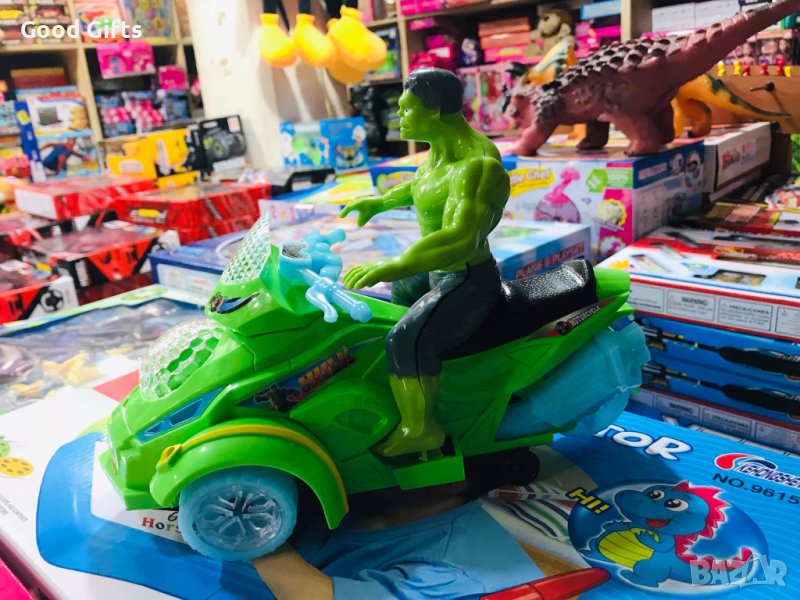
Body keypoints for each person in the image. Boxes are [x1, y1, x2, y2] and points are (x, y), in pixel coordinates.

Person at [339, 68, 510, 457]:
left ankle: (421, 429)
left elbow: (459, 239)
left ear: (433, 110)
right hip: (433, 270)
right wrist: (379, 202)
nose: (398, 116)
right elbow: (424, 186)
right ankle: (410, 388)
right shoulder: (437, 154)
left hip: (466, 278)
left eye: (406, 108)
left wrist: (393, 265)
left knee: (405, 340)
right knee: (385, 313)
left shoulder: (478, 164)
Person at [253, 459, 543, 599]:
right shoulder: (382, 501)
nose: (375, 457)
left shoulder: (455, 573)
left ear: (450, 480)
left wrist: (253, 529)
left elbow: (316, 597)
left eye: (397, 455)